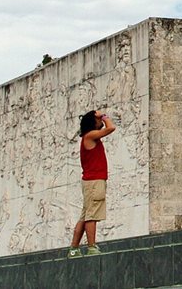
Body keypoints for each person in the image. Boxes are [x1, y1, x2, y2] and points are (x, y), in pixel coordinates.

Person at [67, 109, 116, 257]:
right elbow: (111, 128)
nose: (101, 120)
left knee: (85, 216)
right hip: (94, 181)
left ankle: (74, 248)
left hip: (92, 181)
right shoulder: (90, 135)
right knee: (91, 216)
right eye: (98, 118)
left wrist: (99, 116)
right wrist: (104, 116)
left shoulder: (90, 137)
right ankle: (91, 247)